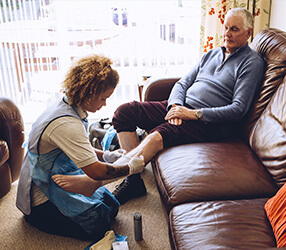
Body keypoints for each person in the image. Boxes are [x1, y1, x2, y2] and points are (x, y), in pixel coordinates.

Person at [52, 8, 265, 205]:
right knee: (124, 113)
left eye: (234, 29)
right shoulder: (212, 54)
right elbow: (182, 83)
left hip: (208, 123)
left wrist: (193, 114)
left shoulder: (251, 63)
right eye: (226, 27)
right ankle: (133, 181)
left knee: (156, 136)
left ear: (248, 33)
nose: (227, 33)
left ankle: (97, 182)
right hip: (183, 107)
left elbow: (238, 109)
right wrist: (175, 105)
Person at [16, 54, 144, 240]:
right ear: (89, 92)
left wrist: (107, 155)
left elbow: (79, 147)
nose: (104, 104)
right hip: (40, 195)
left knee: (112, 207)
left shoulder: (69, 106)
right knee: (98, 225)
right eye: (102, 98)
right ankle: (36, 217)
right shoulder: (66, 124)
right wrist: (129, 168)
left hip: (59, 173)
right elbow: (95, 172)